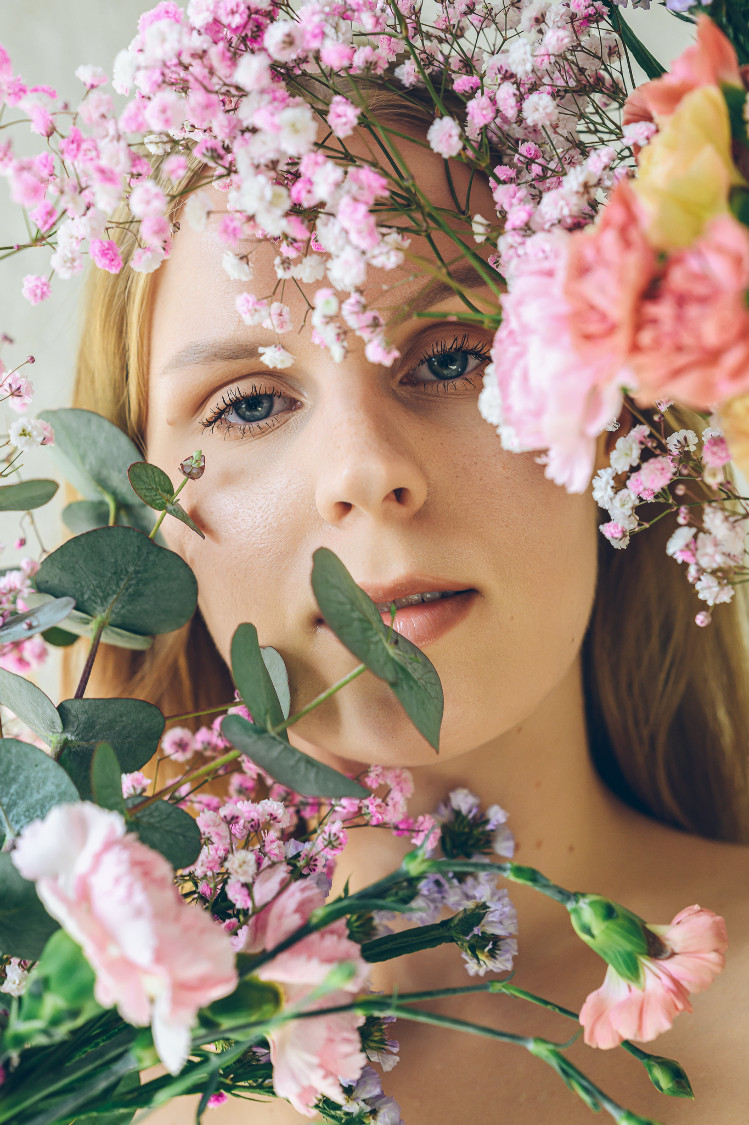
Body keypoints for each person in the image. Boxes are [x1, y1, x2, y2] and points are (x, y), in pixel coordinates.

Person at [69, 96, 749, 1124]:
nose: (363, 469)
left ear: (614, 420)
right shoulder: (68, 1063)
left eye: (450, 357)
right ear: (142, 520)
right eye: (249, 402)